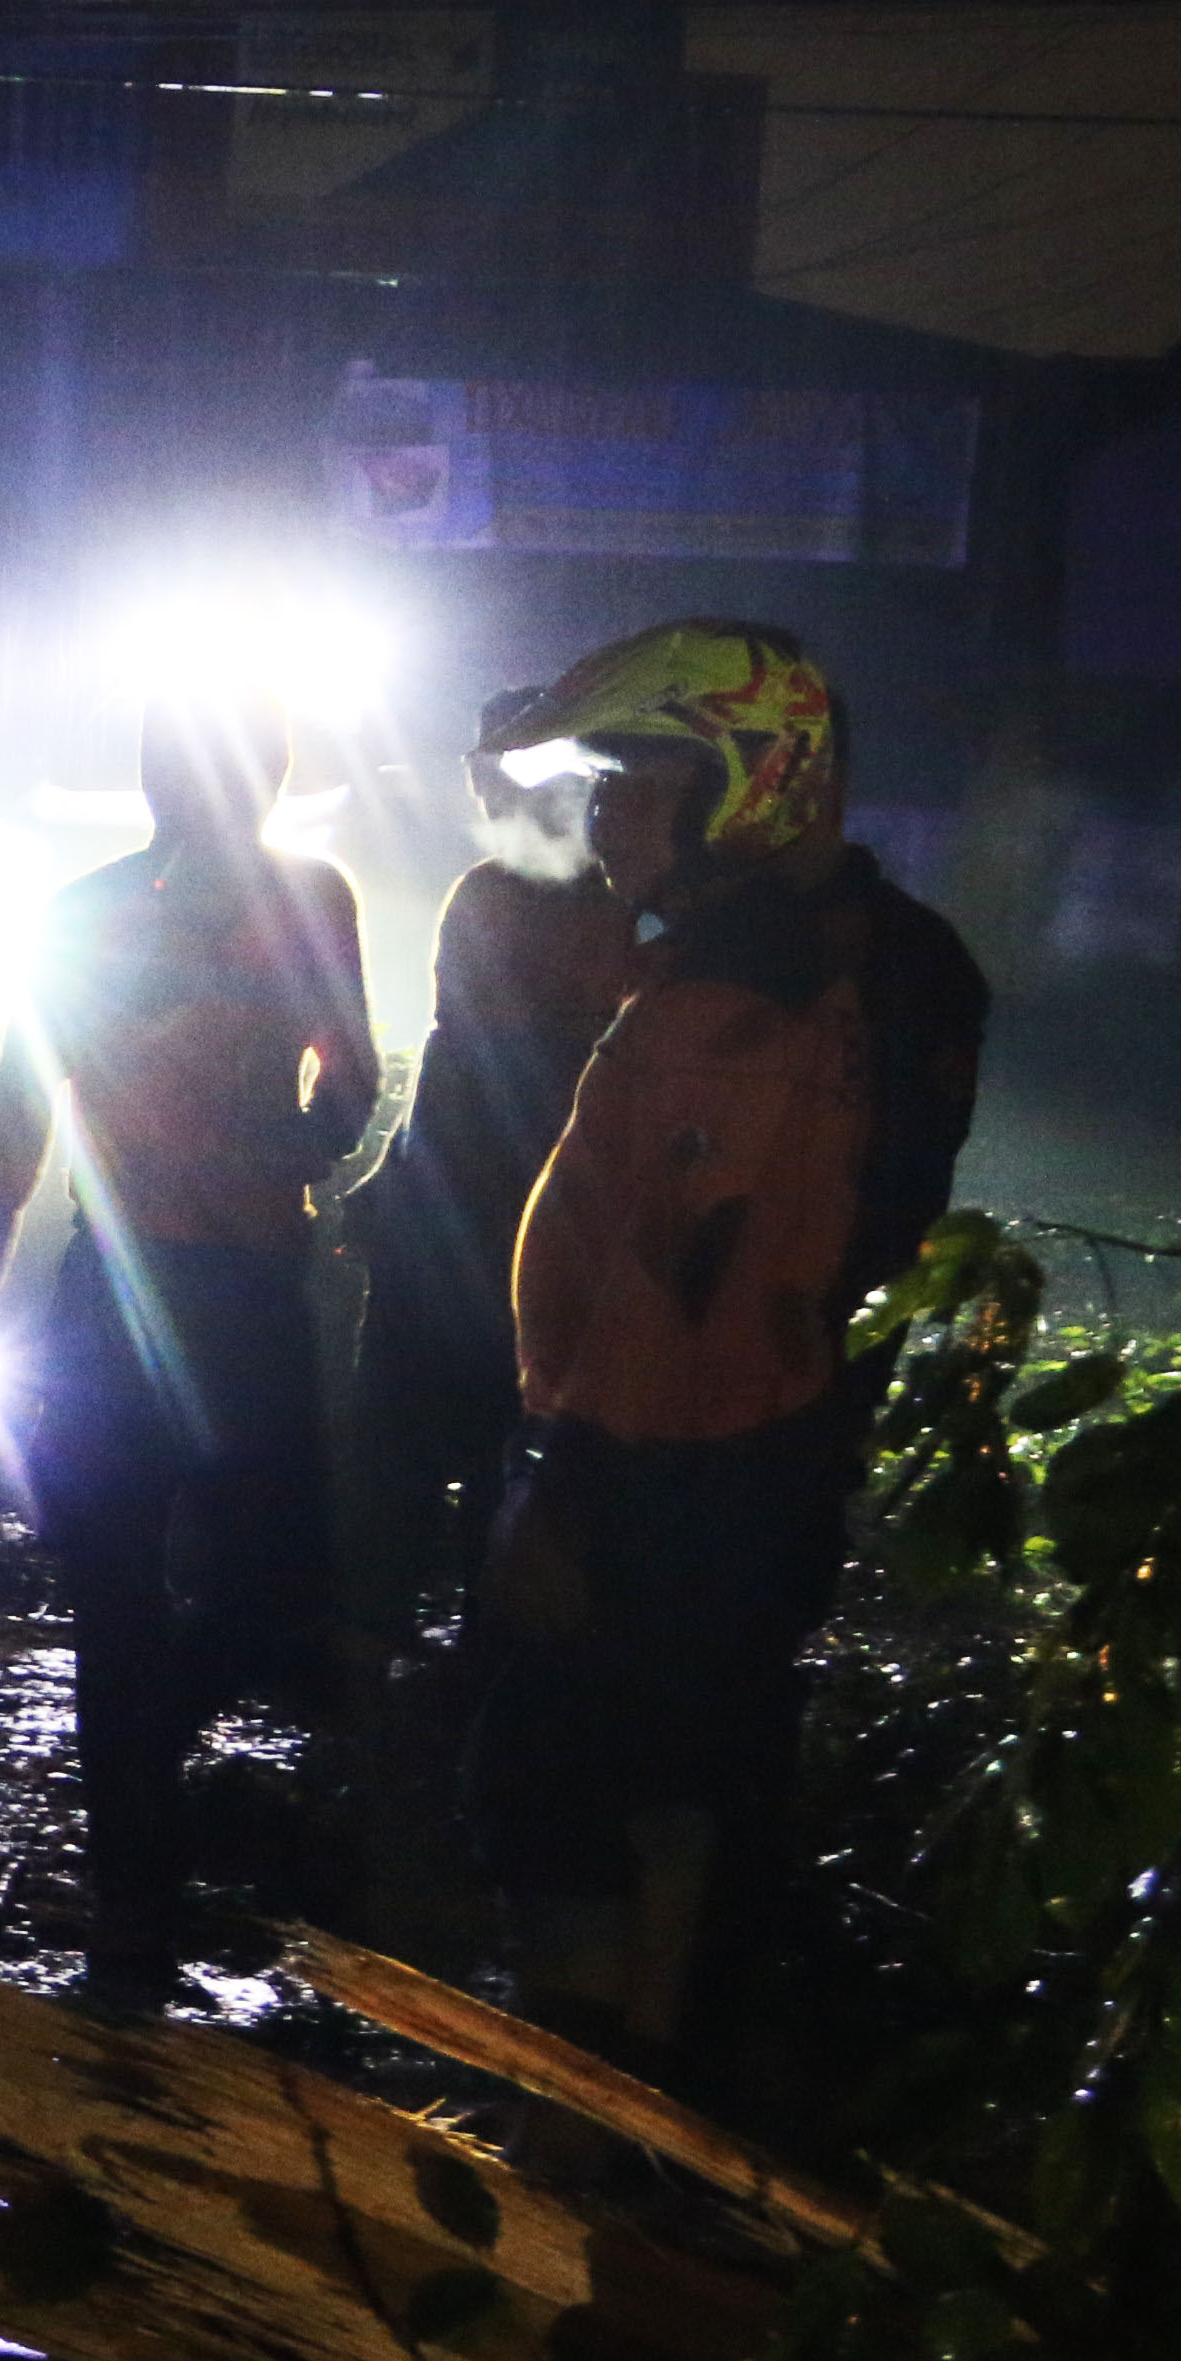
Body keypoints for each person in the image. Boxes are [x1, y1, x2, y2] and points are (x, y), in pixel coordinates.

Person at [467, 621, 986, 2086]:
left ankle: (584, 2117)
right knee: (713, 1764)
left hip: (663, 1469)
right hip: (790, 1453)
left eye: (633, 783)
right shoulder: (904, 962)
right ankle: (669, 2094)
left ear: (747, 786)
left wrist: (556, 1486)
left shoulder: (724, 1010)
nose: (602, 820)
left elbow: (672, 1302)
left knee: (565, 1783)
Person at [0, 697, 379, 1963]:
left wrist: (289, 1141)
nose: (191, 793)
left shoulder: (307, 899)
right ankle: (137, 1889)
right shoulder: (91, 912)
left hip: (232, 1286)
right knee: (117, 1591)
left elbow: (346, 1080)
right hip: (135, 1288)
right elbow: (22, 1097)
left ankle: (141, 1785)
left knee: (259, 1589)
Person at [348, 725, 638, 1614]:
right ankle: (454, 1635)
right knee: (480, 1440)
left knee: (430, 1435)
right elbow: (453, 1054)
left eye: (489, 773)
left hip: (496, 1208)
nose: (476, 792)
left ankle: (412, 1634)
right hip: (487, 1205)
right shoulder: (544, 898)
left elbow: (470, 1060)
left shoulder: (576, 908)